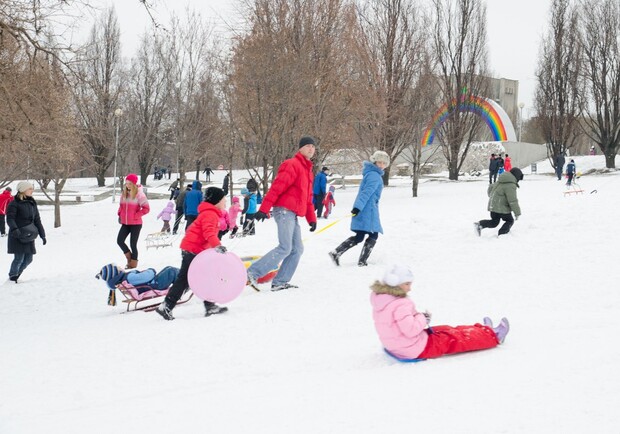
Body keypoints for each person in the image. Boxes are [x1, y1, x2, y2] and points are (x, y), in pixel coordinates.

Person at [370, 264, 509, 360]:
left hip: (398, 345)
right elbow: (411, 330)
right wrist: (422, 318)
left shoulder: (383, 300)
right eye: (407, 284)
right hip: (414, 348)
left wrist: (419, 319)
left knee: (446, 329)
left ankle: (483, 330)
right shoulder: (401, 304)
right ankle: (493, 336)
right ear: (395, 283)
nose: (410, 288)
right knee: (454, 338)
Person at [246, 136, 318, 291]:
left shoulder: (308, 172)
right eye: (307, 146)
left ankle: (280, 282)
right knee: (285, 247)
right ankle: (252, 272)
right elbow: (277, 188)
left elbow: (308, 199)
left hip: (293, 214)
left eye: (313, 146)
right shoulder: (292, 165)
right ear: (300, 148)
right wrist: (263, 209)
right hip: (284, 210)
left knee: (297, 249)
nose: (311, 149)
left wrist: (311, 219)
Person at [155, 187, 229, 320]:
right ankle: (167, 305)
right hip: (193, 250)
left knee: (203, 277)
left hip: (194, 249)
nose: (225, 202)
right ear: (216, 201)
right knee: (184, 280)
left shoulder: (209, 213)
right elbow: (209, 233)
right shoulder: (210, 214)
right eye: (224, 199)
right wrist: (218, 245)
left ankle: (209, 305)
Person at [328, 150, 389, 267]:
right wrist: (358, 207)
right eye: (379, 162)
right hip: (368, 210)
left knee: (360, 236)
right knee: (373, 235)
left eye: (384, 163)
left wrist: (358, 207)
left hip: (365, 209)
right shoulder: (375, 176)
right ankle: (362, 261)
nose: (381, 165)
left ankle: (337, 252)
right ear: (375, 162)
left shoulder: (370, 173)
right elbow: (366, 193)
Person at [6, 181, 46, 282]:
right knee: (19, 258)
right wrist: (15, 229)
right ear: (23, 190)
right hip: (18, 235)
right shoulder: (14, 203)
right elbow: (10, 218)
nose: (32, 190)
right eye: (30, 189)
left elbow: (37, 219)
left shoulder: (32, 203)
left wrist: (42, 235)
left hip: (29, 235)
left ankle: (17, 274)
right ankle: (13, 276)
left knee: (29, 259)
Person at [474, 167, 523, 237]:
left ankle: (479, 225)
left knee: (494, 222)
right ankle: (502, 234)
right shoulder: (511, 185)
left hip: (493, 205)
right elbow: (512, 200)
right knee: (510, 220)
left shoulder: (500, 180)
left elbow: (490, 187)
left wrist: (493, 197)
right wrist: (517, 213)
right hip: (502, 207)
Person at [117, 173, 150, 269]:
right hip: (125, 223)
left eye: (130, 183)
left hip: (136, 223)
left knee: (133, 244)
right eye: (126, 183)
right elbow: (121, 207)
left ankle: (133, 264)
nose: (127, 185)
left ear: (134, 184)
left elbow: (146, 208)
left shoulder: (140, 194)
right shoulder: (124, 194)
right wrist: (120, 215)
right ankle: (129, 258)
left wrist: (136, 215)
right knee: (120, 241)